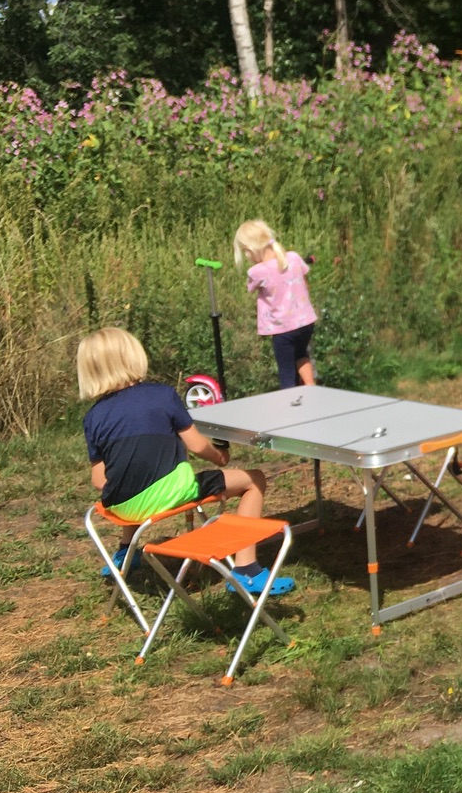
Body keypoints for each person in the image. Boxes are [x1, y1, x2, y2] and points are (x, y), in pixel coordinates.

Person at [79, 327, 295, 596]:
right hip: (172, 493)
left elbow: (99, 480)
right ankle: (246, 569)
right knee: (255, 480)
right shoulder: (162, 395)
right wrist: (220, 457)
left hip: (123, 507)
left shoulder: (93, 417)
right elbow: (196, 445)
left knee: (132, 474)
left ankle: (126, 552)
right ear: (133, 356)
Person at [233, 219, 318, 389]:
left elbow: (250, 288)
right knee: (301, 354)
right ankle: (311, 388)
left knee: (286, 373)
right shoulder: (293, 257)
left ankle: (289, 402)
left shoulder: (257, 271)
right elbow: (305, 284)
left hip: (283, 329)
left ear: (250, 250)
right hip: (306, 323)